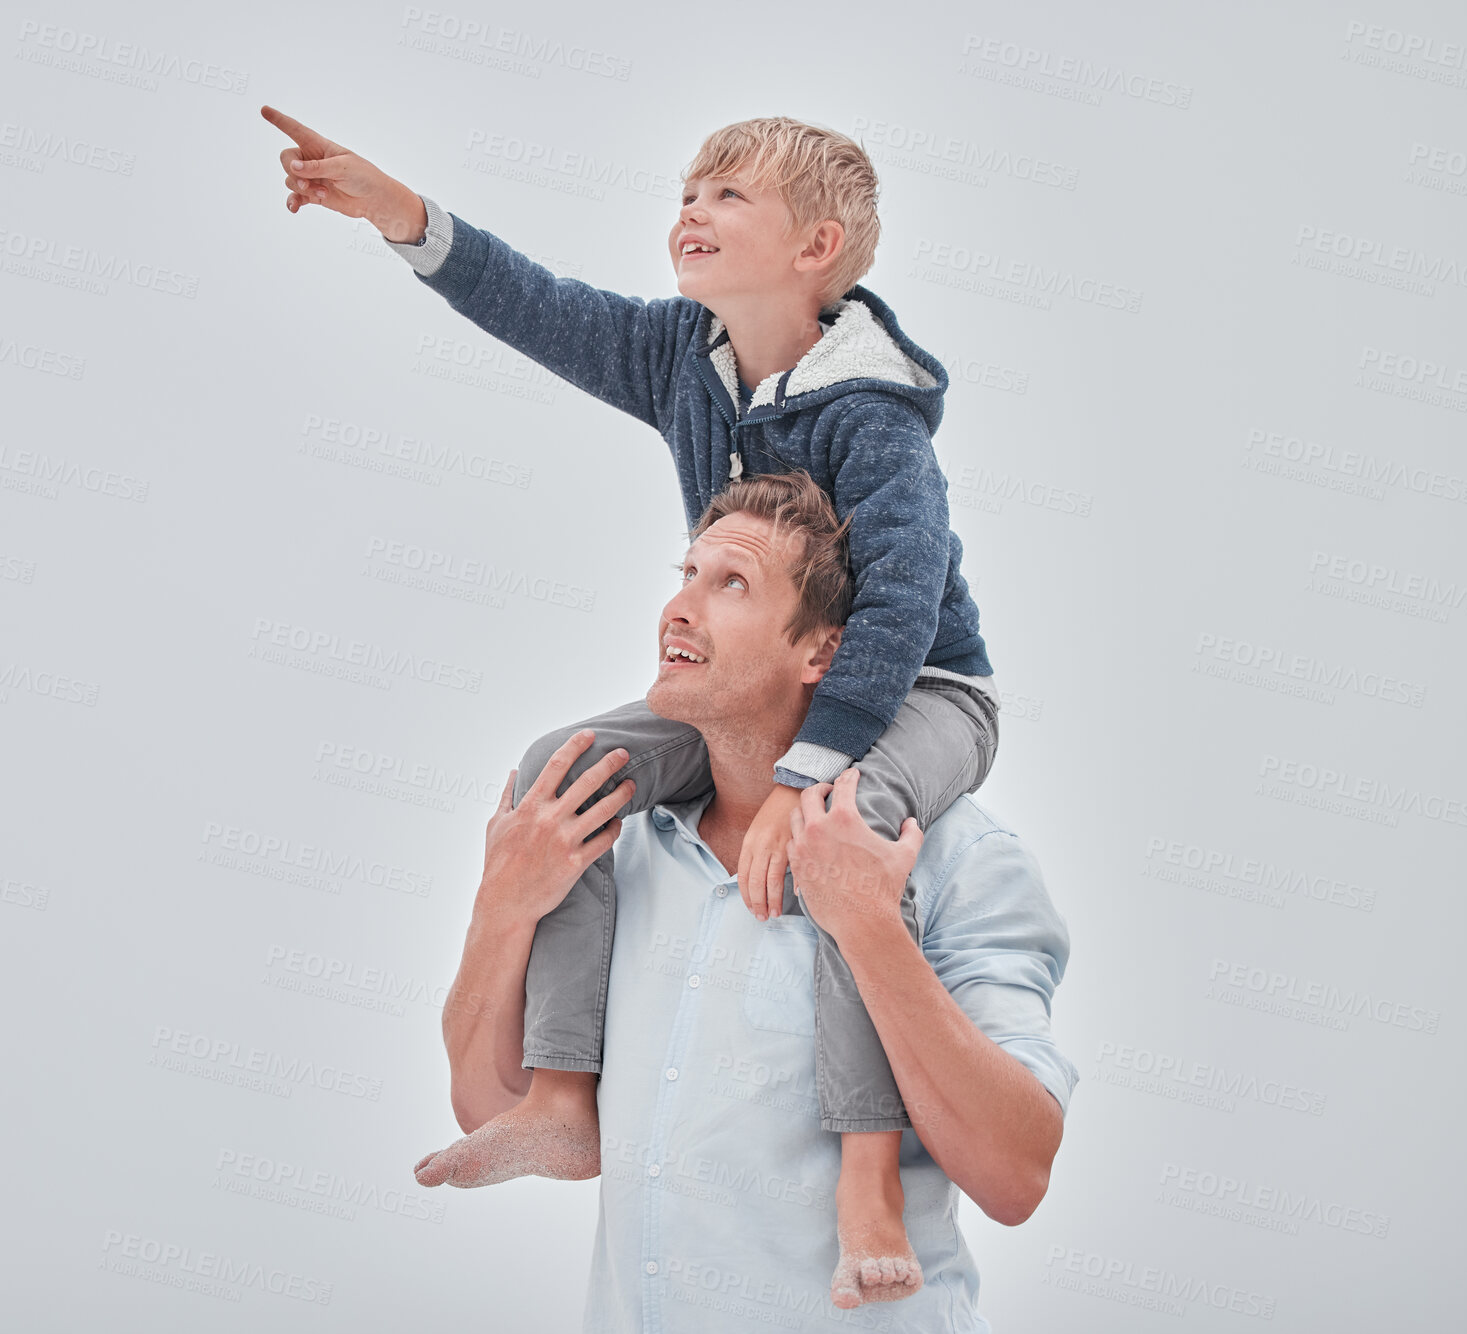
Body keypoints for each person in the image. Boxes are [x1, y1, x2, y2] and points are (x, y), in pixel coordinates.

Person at [263, 105, 1001, 1307]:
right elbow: (537, 304)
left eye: (727, 195)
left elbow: (903, 603)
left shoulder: (871, 418)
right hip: (769, 683)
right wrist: (400, 213)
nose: (691, 210)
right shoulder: (679, 358)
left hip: (915, 684)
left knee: (836, 846)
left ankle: (867, 1163)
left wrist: (811, 772)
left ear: (816, 246)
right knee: (571, 763)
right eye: (687, 190)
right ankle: (560, 1095)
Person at [412, 474, 1077, 1330]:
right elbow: (490, 1107)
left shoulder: (956, 858)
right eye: (686, 573)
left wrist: (869, 925)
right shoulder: (613, 846)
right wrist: (499, 910)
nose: (678, 609)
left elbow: (1017, 1175)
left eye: (730, 585)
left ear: (824, 655)